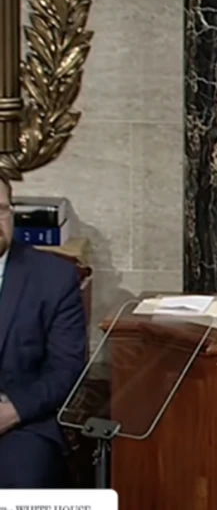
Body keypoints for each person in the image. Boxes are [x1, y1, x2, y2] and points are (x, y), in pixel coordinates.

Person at [0, 177, 88, 487]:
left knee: (23, 482)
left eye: (1, 210)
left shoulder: (53, 278)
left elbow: (66, 368)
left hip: (19, 424)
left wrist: (12, 411)